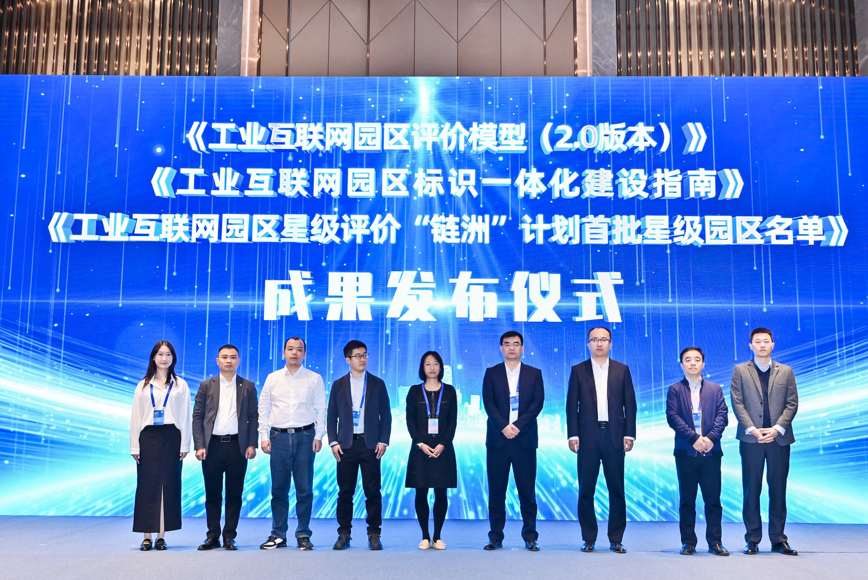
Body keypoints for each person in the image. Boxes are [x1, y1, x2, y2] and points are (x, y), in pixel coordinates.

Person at [566, 326, 636, 554]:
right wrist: (573, 434)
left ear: (610, 344)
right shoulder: (578, 370)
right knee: (586, 490)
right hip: (587, 437)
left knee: (617, 490)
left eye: (603, 339)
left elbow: (630, 404)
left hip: (614, 436)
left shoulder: (622, 370)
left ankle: (616, 539)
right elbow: (571, 405)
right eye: (594, 339)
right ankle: (589, 538)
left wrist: (629, 433)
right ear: (588, 344)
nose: (599, 343)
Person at [730, 328, 799, 556]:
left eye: (766, 341)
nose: (762, 345)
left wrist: (777, 429)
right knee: (751, 489)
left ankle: (779, 539)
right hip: (752, 439)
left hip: (779, 439)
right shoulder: (740, 370)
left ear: (773, 344)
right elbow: (737, 402)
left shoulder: (786, 371)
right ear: (750, 345)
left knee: (778, 489)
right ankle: (752, 539)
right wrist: (752, 429)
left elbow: (792, 403)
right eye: (757, 341)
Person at [258, 337, 326, 550]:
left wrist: (319, 435)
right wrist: (263, 436)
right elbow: (263, 408)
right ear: (283, 353)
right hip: (277, 437)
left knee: (304, 488)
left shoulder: (314, 378)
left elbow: (321, 408)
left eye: (299, 349)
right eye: (290, 349)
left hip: (305, 436)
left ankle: (303, 534)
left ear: (304, 353)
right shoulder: (273, 378)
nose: (294, 352)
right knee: (279, 489)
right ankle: (278, 534)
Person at [482, 331, 544, 551]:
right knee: (496, 492)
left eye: (516, 344)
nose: (511, 348)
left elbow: (537, 403)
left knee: (527, 492)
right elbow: (488, 403)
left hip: (524, 440)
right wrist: (503, 427)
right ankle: (495, 536)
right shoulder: (492, 373)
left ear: (522, 348)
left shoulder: (534, 373)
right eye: (507, 344)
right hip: (498, 440)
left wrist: (517, 426)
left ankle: (530, 536)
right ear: (501, 348)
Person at [192, 344, 258, 551]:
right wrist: (199, 444)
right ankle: (212, 536)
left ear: (239, 361)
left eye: (233, 357)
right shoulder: (206, 385)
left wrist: (251, 443)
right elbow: (197, 417)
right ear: (217, 360)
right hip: (212, 447)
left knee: (234, 494)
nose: (229, 360)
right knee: (212, 494)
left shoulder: (248, 386)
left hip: (238, 447)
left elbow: (253, 417)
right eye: (224, 357)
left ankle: (230, 536)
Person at [665, 347, 730, 556]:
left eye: (697, 359)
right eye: (688, 360)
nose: (692, 363)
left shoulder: (715, 389)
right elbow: (673, 418)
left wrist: (710, 438)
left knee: (713, 500)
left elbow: (722, 416)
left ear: (703, 364)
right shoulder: (675, 390)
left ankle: (715, 542)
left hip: (711, 453)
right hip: (686, 452)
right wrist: (694, 439)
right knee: (687, 501)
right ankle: (688, 542)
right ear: (681, 364)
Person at [327, 340, 391, 550]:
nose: (363, 359)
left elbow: (386, 415)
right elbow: (331, 416)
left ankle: (374, 534)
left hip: (370, 445)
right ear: (348, 360)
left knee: (373, 491)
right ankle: (344, 534)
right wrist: (333, 442)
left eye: (365, 355)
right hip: (345, 445)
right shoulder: (338, 384)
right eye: (358, 356)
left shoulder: (377, 383)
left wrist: (383, 440)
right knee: (345, 492)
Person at [129, 340, 192, 551]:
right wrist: (135, 447)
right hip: (148, 438)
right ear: (153, 357)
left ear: (173, 358)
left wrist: (185, 444)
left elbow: (186, 416)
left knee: (169, 486)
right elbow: (136, 417)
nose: (164, 358)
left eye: (168, 354)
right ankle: (147, 536)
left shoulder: (180, 385)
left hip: (172, 437)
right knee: (146, 487)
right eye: (160, 354)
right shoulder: (143, 385)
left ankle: (162, 535)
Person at [405, 351, 457, 550]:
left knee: (441, 493)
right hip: (421, 449)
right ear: (422, 368)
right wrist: (420, 443)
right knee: (421, 493)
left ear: (441, 367)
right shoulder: (414, 391)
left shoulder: (449, 391)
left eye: (436, 363)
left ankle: (438, 537)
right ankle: (425, 536)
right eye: (428, 364)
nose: (432, 367)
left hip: (443, 449)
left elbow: (452, 421)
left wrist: (444, 443)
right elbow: (410, 420)